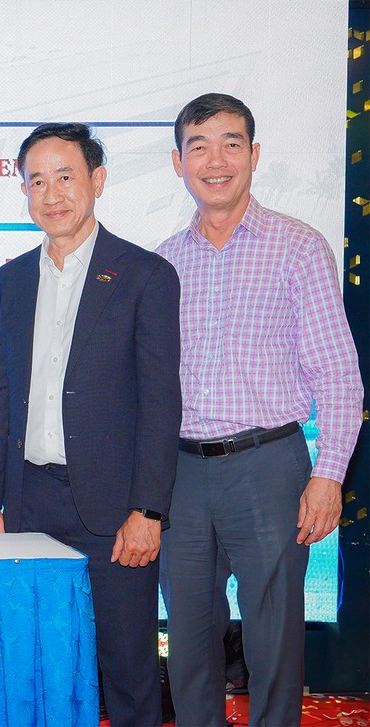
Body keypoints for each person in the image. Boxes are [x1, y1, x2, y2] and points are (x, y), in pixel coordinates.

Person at [157, 93, 362, 727]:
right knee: (188, 637)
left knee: (274, 639)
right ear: (179, 162)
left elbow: (340, 375)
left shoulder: (299, 247)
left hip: (269, 465)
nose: (215, 161)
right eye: (199, 147)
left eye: (231, 144)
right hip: (180, 473)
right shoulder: (163, 261)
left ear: (254, 154)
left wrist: (329, 476)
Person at [0, 123, 181, 726]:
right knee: (31, 665)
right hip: (26, 504)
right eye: (37, 181)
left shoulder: (145, 276)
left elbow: (161, 404)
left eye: (65, 176)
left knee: (127, 671)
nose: (52, 194)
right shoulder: (8, 282)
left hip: (114, 512)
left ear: (98, 180)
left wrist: (147, 510)